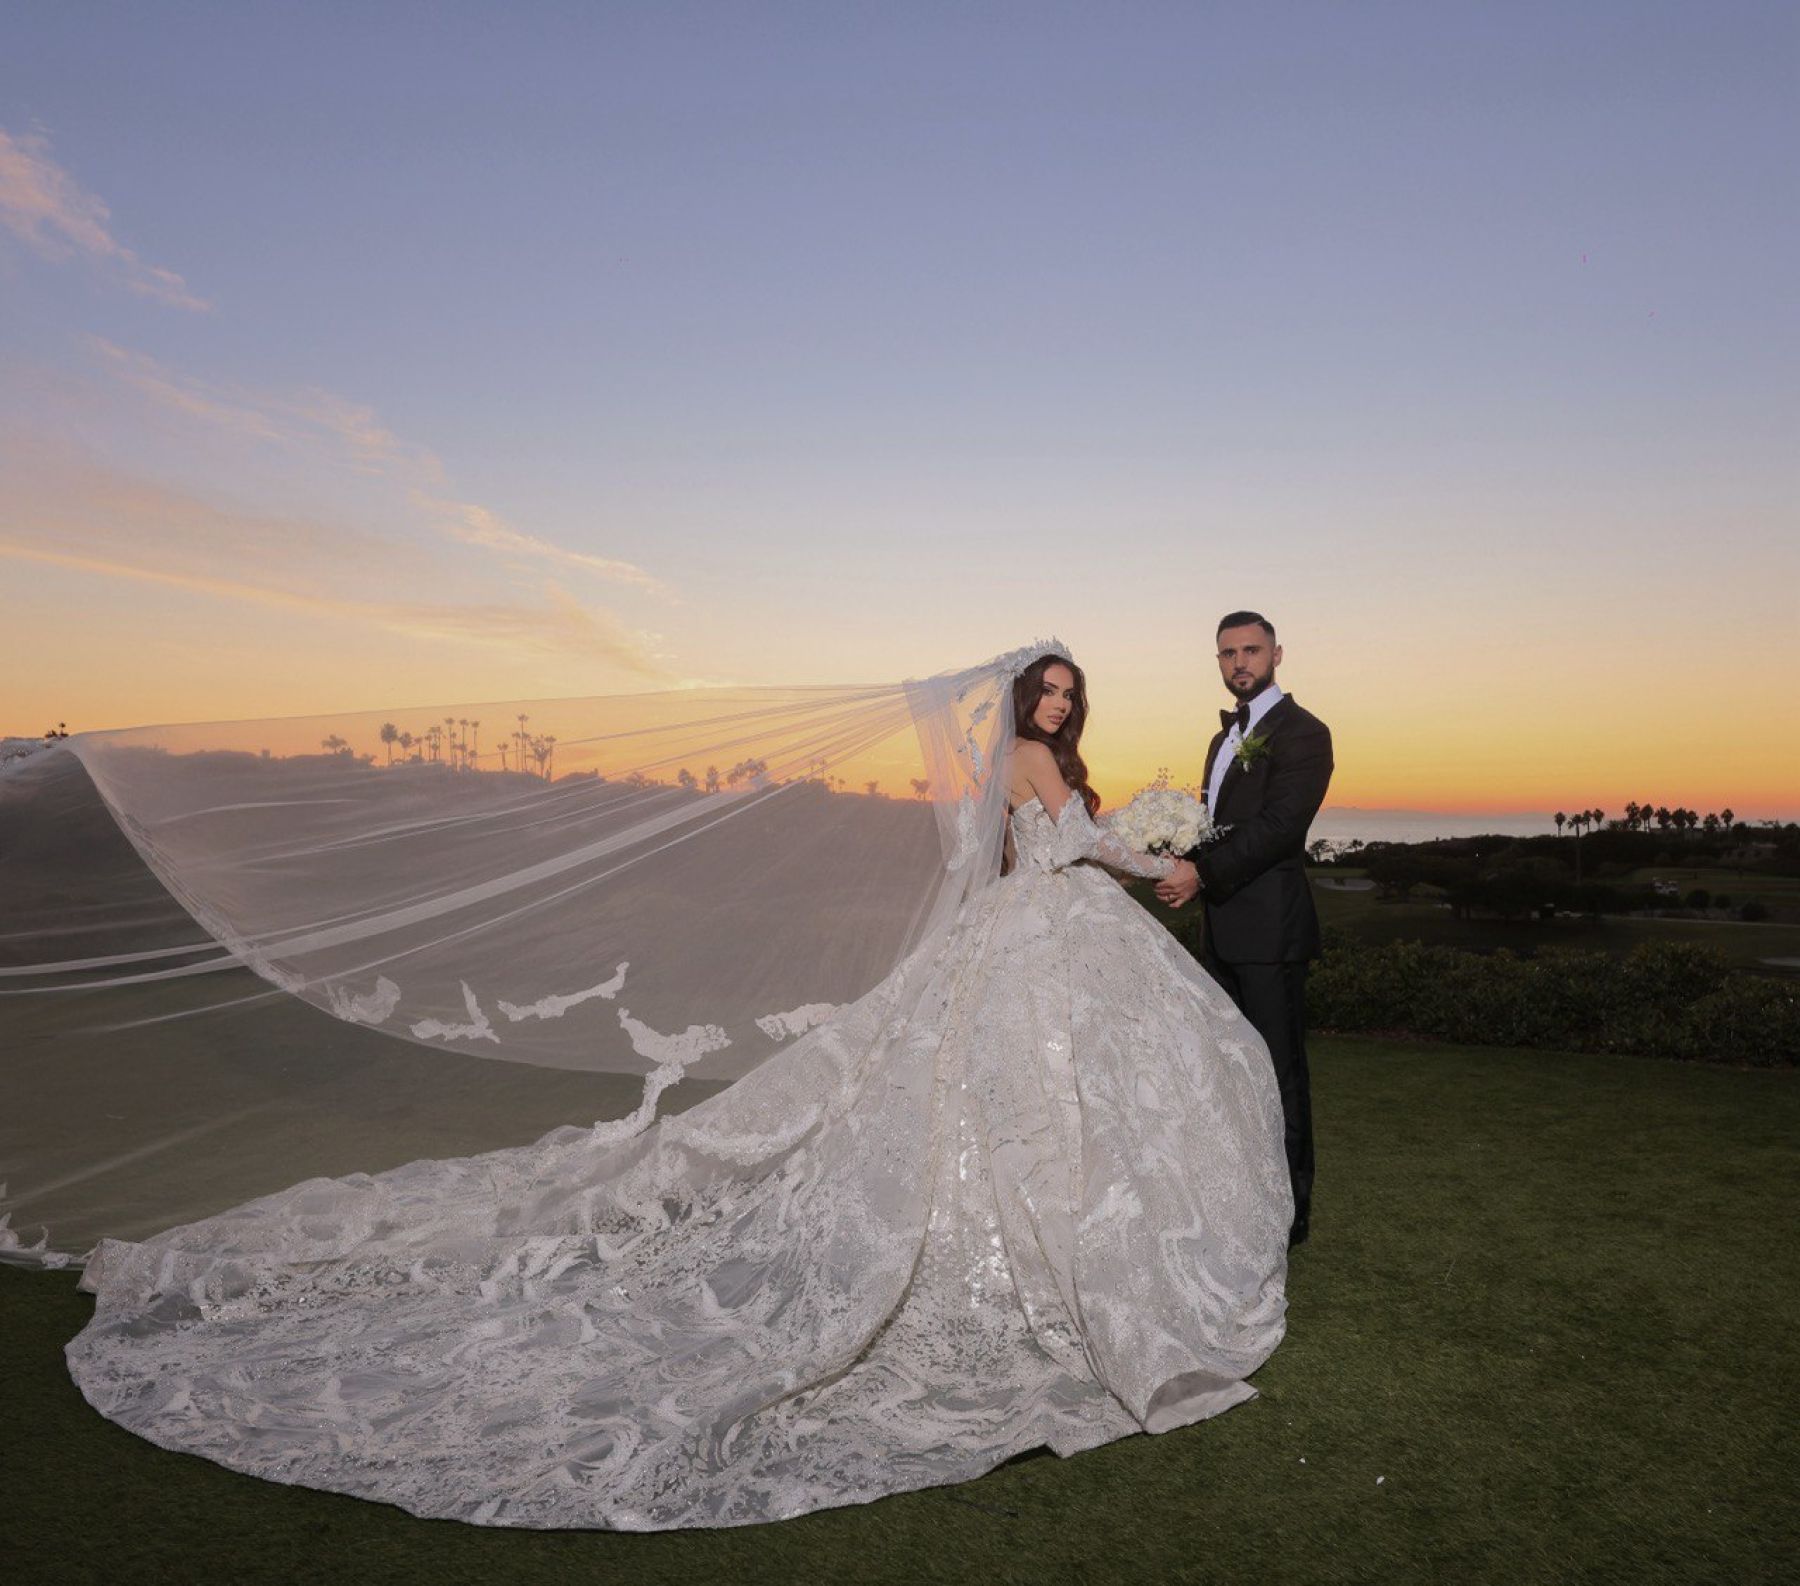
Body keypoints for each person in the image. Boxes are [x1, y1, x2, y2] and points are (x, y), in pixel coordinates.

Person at [58, 644, 1291, 1531]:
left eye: (1071, 695)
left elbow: (1076, 841)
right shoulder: (1025, 759)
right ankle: (1033, 1258)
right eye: (1048, 692)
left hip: (1066, 936)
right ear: (1023, 703)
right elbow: (1069, 845)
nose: (1058, 706)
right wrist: (1159, 855)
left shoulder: (1051, 763)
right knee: (1014, 1100)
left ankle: (1060, 1237)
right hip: (1042, 940)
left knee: (1087, 1093)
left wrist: (1153, 849)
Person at [1156, 613, 1334, 1247]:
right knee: (1230, 1070)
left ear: (1277, 653)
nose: (1240, 663)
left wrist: (1201, 875)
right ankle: (1240, 1196)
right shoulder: (1222, 738)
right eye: (1228, 653)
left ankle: (1290, 1216)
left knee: (1278, 1072)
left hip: (1271, 933)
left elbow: (1280, 828)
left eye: (1251, 650)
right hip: (1222, 932)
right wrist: (1172, 855)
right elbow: (1215, 823)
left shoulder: (1306, 733)